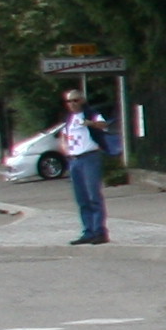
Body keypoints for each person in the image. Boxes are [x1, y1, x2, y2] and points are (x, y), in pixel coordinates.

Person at [53, 89, 114, 243]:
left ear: (82, 101)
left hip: (89, 157)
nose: (72, 104)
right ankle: (88, 230)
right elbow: (64, 136)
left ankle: (99, 231)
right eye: (69, 101)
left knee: (93, 195)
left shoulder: (90, 114)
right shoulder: (68, 119)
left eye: (75, 100)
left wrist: (91, 123)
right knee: (82, 198)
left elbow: (103, 124)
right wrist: (65, 148)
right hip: (74, 160)